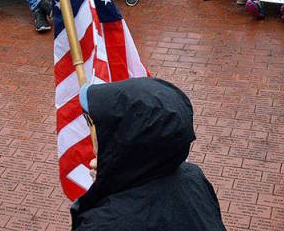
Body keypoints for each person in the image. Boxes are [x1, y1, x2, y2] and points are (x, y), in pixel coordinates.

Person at [71, 78, 227, 231]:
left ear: (123, 139)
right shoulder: (193, 177)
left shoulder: (102, 224)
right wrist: (112, 180)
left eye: (94, 123)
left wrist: (105, 196)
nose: (92, 131)